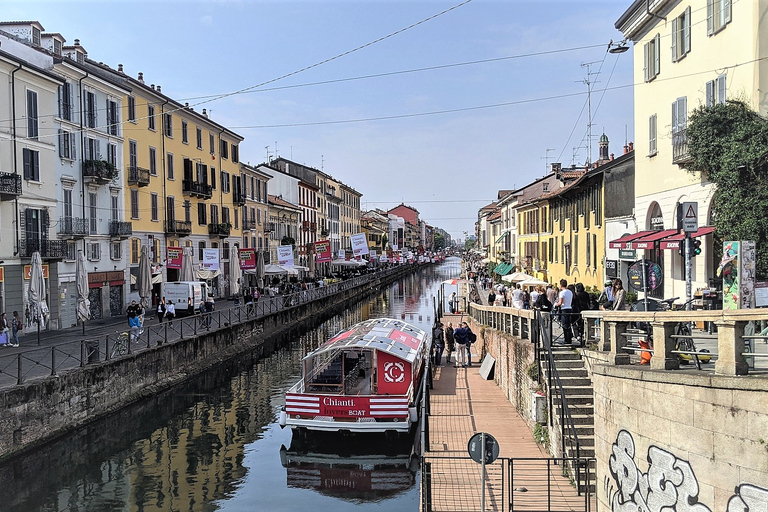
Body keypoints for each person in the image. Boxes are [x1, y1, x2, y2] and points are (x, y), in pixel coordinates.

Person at [555, 279, 574, 345]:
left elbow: (560, 302)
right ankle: (569, 339)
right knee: (568, 324)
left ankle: (567, 340)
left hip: (564, 309)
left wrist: (556, 305)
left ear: (561, 285)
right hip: (569, 308)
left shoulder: (562, 293)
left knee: (564, 325)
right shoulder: (570, 292)